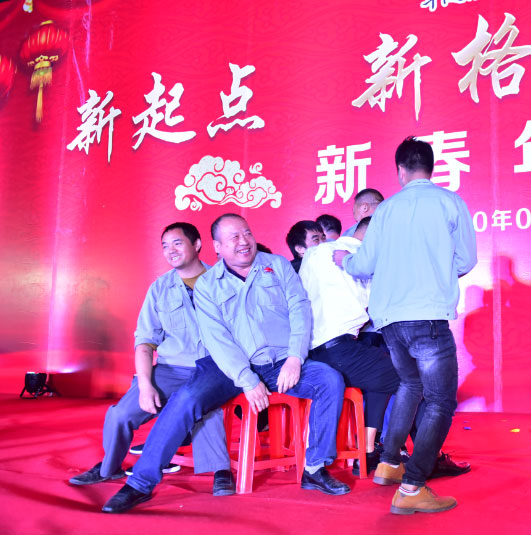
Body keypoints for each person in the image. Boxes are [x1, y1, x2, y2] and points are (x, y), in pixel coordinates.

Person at [102, 214, 347, 514]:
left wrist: (295, 357)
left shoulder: (278, 266)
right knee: (186, 399)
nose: (243, 241)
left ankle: (315, 468)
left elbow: (300, 310)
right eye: (233, 237)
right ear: (217, 247)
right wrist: (247, 379)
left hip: (280, 363)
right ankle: (140, 483)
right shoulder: (208, 285)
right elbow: (217, 340)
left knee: (329, 379)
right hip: (228, 368)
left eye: (247, 233)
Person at [334, 137, 477, 515]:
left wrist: (343, 261)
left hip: (390, 321)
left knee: (410, 386)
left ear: (400, 170)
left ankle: (389, 463)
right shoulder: (450, 202)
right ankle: (412, 485)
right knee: (440, 400)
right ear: (432, 166)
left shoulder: (385, 210)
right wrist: (437, 272)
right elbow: (466, 260)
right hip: (426, 316)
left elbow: (363, 265)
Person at [69, 222, 233, 496]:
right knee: (121, 413)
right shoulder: (160, 288)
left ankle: (221, 470)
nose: (170, 251)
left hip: (214, 368)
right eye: (165, 246)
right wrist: (145, 384)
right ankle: (110, 466)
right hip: (170, 369)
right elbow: (144, 342)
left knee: (203, 403)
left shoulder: (223, 281)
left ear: (197, 245)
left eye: (177, 243)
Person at [299, 216, 400, 474]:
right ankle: (396, 452)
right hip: (340, 349)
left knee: (382, 373)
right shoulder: (366, 263)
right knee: (408, 376)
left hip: (310, 351)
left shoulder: (314, 253)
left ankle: (367, 450)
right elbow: (380, 308)